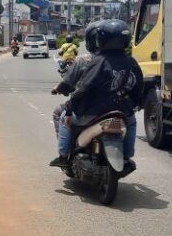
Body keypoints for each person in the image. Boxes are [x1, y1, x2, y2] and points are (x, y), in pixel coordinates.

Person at [50, 19, 143, 169]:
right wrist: (135, 105)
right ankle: (127, 156)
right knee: (131, 121)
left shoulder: (97, 61)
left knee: (62, 116)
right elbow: (139, 87)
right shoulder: (131, 62)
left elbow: (84, 86)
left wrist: (69, 108)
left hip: (93, 112)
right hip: (122, 112)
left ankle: (63, 156)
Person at [51, 21, 103, 134]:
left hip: (87, 110)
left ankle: (64, 151)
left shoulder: (83, 60)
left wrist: (59, 89)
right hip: (115, 110)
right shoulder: (127, 61)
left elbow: (68, 84)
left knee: (58, 112)